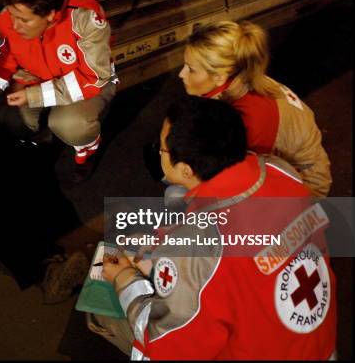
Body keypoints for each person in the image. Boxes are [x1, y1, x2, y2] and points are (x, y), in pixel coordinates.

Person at [87, 96, 337, 359]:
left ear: (185, 170)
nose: (158, 152)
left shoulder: (200, 248)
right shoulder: (281, 171)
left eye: (160, 149)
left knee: (104, 315)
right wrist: (169, 242)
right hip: (318, 347)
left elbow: (169, 343)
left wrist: (125, 278)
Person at [0, 0, 118, 180]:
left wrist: (35, 95)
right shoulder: (12, 13)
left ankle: (86, 151)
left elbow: (94, 77)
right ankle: (40, 140)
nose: (14, 25)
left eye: (24, 20)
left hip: (88, 82)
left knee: (69, 124)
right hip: (37, 79)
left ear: (51, 14)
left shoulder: (85, 18)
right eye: (12, 15)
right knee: (9, 120)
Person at [178, 20, 332, 196]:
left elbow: (234, 180)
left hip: (305, 192)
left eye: (190, 69)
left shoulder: (248, 121)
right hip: (284, 168)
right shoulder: (243, 77)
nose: (181, 74)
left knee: (179, 193)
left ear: (220, 77)